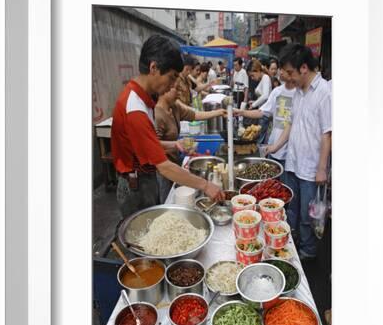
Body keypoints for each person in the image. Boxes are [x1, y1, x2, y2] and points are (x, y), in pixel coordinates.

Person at [111, 35, 225, 218]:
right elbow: (164, 166)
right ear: (153, 68)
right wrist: (205, 185)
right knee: (140, 240)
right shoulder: (135, 109)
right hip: (136, 186)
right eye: (171, 78)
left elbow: (145, 144)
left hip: (145, 179)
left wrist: (173, 145)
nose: (173, 85)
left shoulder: (143, 98)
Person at [268, 43, 331, 261]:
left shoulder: (324, 92)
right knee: (291, 208)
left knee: (307, 215)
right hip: (292, 162)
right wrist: (275, 148)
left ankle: (308, 253)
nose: (286, 78)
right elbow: (290, 124)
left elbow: (327, 133)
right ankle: (291, 246)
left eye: (290, 72)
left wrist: (322, 169)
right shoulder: (297, 93)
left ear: (304, 68)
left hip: (311, 168)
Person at [155, 86, 226, 201]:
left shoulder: (174, 107)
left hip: (174, 161)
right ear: (164, 89)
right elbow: (153, 144)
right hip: (163, 168)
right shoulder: (158, 114)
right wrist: (175, 144)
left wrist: (218, 112)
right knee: (168, 198)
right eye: (176, 89)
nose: (180, 92)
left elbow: (194, 115)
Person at [234, 64, 296, 171]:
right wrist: (241, 112)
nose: (279, 72)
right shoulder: (277, 92)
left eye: (283, 69)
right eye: (280, 69)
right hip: (274, 148)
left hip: (292, 153)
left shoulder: (300, 93)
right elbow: (262, 112)